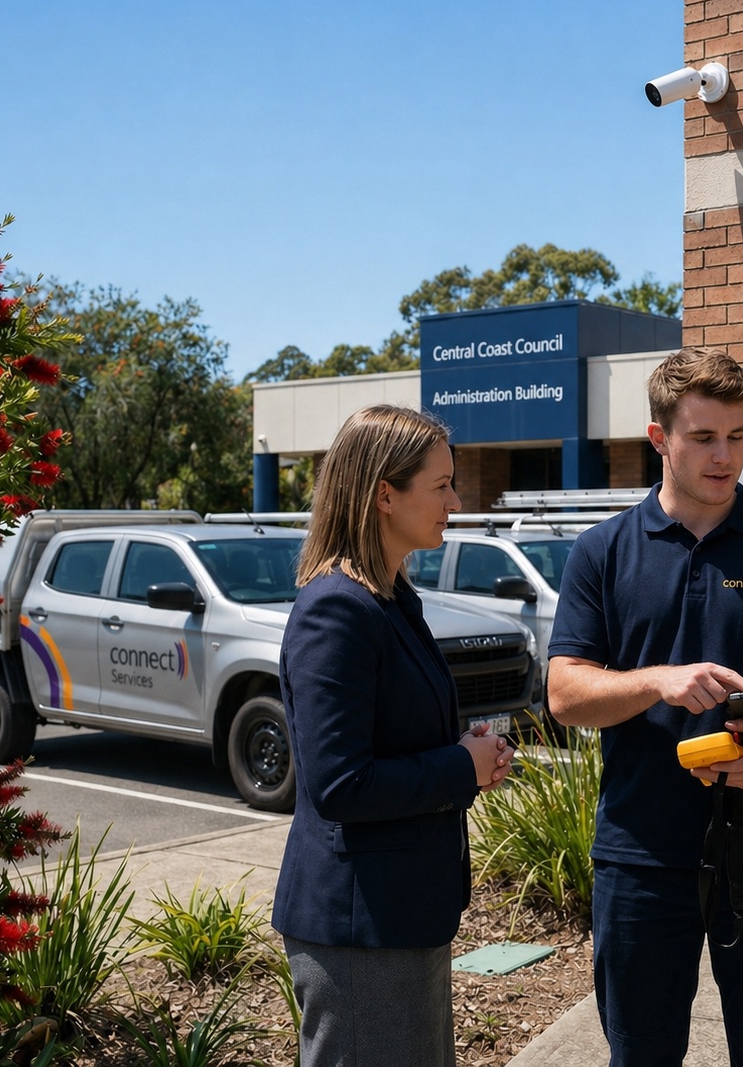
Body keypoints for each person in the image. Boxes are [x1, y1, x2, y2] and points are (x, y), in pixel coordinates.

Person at [547, 348, 743, 1067]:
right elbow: (565, 694)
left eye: (738, 436)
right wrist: (656, 681)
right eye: (703, 437)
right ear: (658, 438)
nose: (725, 457)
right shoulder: (602, 552)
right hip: (638, 854)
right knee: (641, 1054)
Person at [272, 403, 515, 1067]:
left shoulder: (390, 600)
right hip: (360, 931)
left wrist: (468, 756)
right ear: (384, 494)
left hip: (401, 919)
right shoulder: (335, 611)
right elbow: (340, 784)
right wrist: (457, 768)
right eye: (440, 486)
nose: (455, 501)